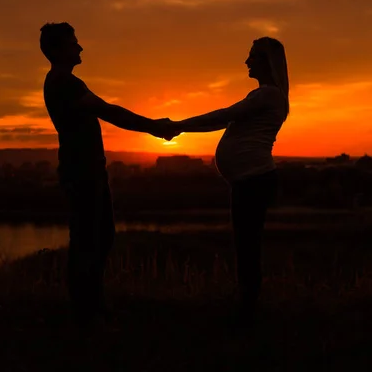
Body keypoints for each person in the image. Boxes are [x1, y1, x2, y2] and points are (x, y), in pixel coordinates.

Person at [40, 22, 173, 329]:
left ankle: (91, 305)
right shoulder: (64, 83)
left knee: (99, 238)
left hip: (87, 170)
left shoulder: (62, 80)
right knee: (89, 240)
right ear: (59, 49)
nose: (80, 47)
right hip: (82, 171)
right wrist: (154, 127)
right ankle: (86, 312)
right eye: (74, 42)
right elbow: (110, 111)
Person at [170, 37, 289, 330]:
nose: (246, 62)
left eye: (252, 57)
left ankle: (248, 311)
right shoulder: (265, 95)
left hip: (254, 180)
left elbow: (223, 117)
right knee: (246, 244)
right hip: (249, 180)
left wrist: (178, 126)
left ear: (266, 62)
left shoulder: (267, 95)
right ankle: (247, 305)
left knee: (247, 245)